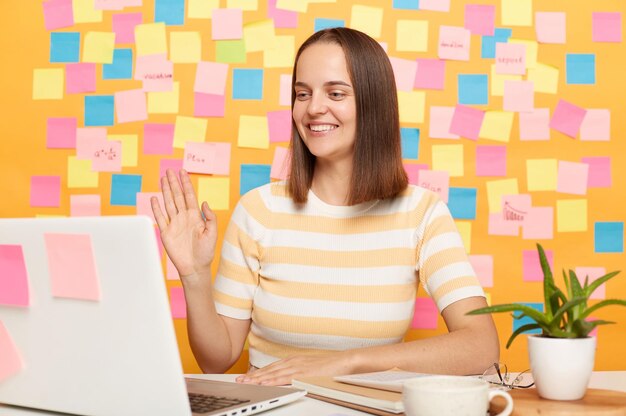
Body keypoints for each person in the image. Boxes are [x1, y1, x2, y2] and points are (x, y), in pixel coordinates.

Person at [151, 27, 499, 387]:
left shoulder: (421, 213)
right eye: (303, 94)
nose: (314, 108)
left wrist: (344, 363)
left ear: (373, 103)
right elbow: (216, 360)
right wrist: (193, 275)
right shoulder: (258, 210)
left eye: (335, 93)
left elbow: (481, 347)